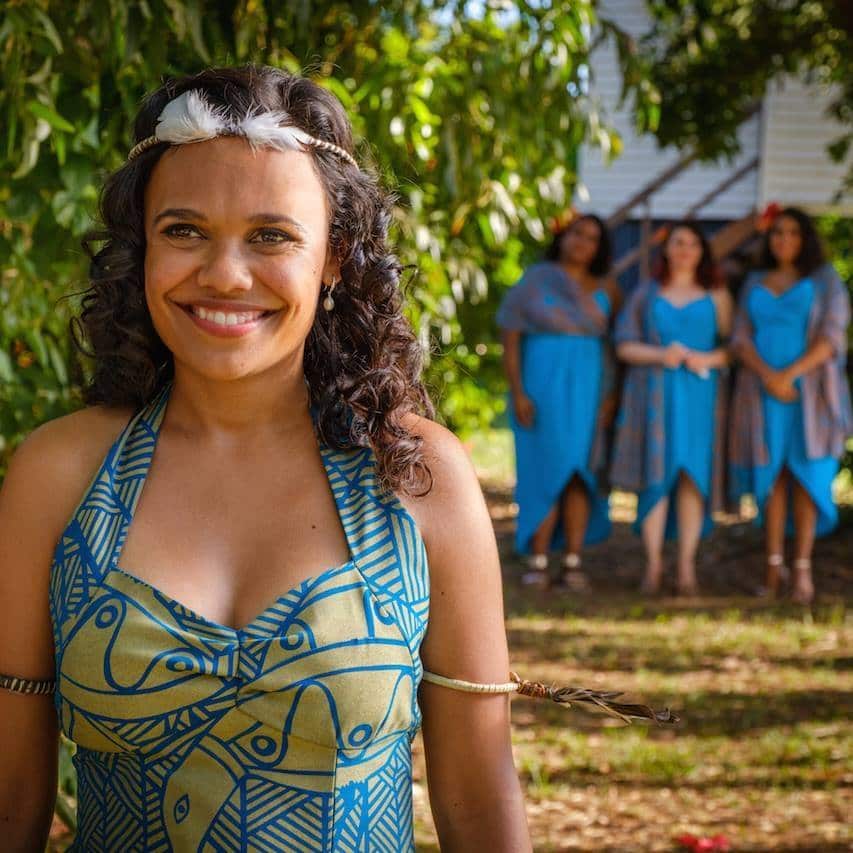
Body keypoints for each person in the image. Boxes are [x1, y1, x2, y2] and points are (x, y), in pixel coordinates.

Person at [0, 66, 531, 851]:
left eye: (271, 235)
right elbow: (9, 797)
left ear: (336, 259)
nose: (224, 274)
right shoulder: (61, 475)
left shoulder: (415, 477)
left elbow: (480, 805)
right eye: (183, 230)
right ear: (140, 244)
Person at [729, 206, 852, 604]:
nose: (784, 240)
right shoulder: (753, 281)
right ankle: (772, 566)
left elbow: (832, 336)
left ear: (806, 239)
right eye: (778, 232)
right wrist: (768, 376)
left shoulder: (825, 280)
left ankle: (803, 569)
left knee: (807, 477)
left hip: (810, 394)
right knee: (773, 478)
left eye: (793, 233)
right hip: (762, 391)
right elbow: (740, 336)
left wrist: (790, 374)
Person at [498, 213, 620, 590]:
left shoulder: (608, 289)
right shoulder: (534, 282)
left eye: (592, 238)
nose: (583, 243)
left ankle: (572, 560)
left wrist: (611, 396)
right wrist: (518, 391)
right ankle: (537, 557)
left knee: (579, 473)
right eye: (577, 234)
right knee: (544, 468)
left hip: (589, 388)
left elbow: (612, 348)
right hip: (541, 386)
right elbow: (512, 337)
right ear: (563, 237)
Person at [611, 222, 732, 596]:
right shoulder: (647, 293)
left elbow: (733, 347)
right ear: (666, 249)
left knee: (692, 479)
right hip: (655, 395)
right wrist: (662, 354)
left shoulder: (717, 294)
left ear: (702, 251)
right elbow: (624, 345)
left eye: (693, 243)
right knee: (656, 475)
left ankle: (686, 568)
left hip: (700, 396)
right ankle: (652, 565)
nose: (685, 249)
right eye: (678, 242)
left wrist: (707, 359)